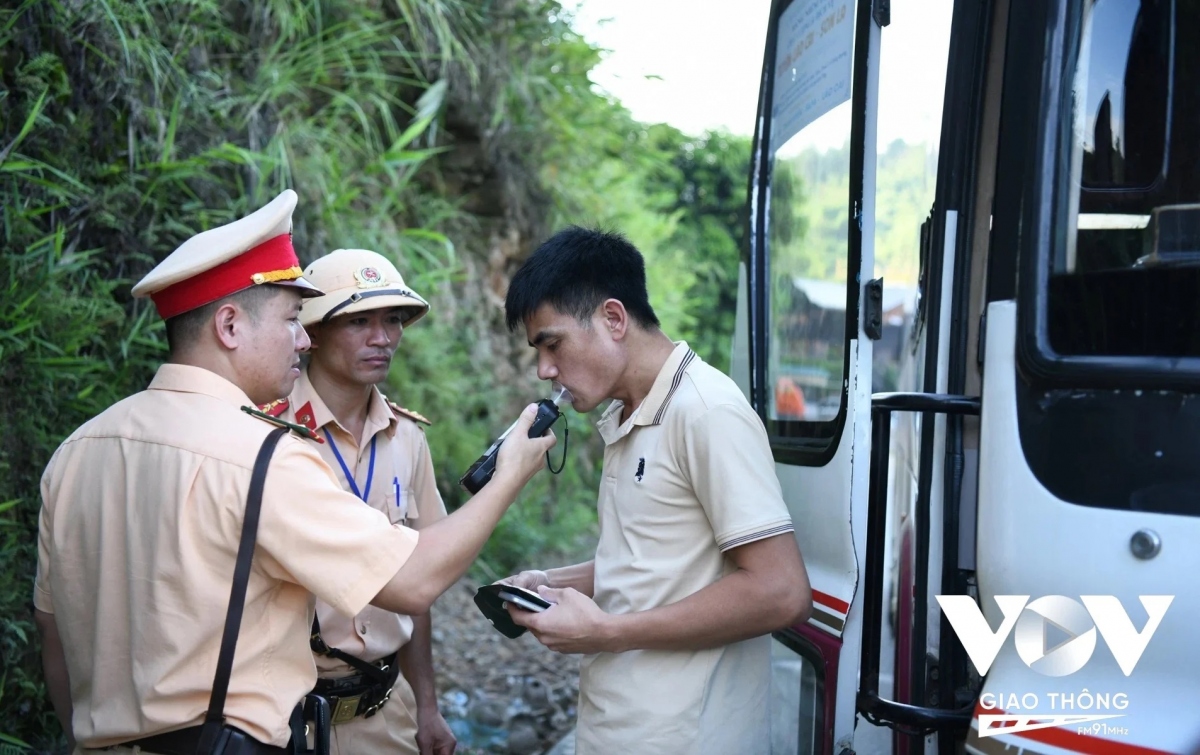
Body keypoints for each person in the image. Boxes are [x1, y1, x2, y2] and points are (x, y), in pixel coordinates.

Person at [33, 190, 554, 753]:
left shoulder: (76, 450)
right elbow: (413, 582)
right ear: (230, 326)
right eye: (290, 319)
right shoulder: (263, 454)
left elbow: (53, 632)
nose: (302, 339)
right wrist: (510, 476)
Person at [499, 226, 813, 754]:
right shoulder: (630, 413)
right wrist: (549, 581)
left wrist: (607, 633)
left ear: (613, 319)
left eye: (552, 344)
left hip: (687, 737)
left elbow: (781, 592)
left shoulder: (707, 412)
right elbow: (654, 566)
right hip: (621, 729)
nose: (544, 370)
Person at [262, 248, 454, 753]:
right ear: (314, 332)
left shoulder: (408, 438)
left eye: (393, 320)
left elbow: (421, 580)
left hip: (387, 713)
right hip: (283, 721)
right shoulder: (266, 433)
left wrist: (428, 708)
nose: (383, 338)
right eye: (359, 321)